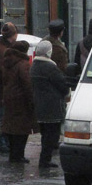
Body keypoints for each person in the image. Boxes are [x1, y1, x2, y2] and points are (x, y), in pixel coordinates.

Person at [30, 40, 69, 170]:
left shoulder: (34, 66)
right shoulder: (51, 68)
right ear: (49, 52)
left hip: (39, 105)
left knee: (45, 135)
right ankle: (45, 160)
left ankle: (44, 159)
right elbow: (62, 85)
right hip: (52, 106)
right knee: (52, 136)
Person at [1, 40, 36, 164]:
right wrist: (32, 100)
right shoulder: (24, 64)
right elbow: (27, 84)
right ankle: (19, 155)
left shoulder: (6, 62)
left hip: (9, 99)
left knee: (11, 128)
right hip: (21, 101)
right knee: (22, 130)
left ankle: (13, 154)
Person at [0, 22, 18, 154]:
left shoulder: (4, 47)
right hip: (2, 90)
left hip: (2, 89)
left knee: (4, 116)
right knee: (1, 117)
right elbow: (3, 72)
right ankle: (0, 143)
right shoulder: (3, 50)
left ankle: (3, 141)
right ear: (12, 35)